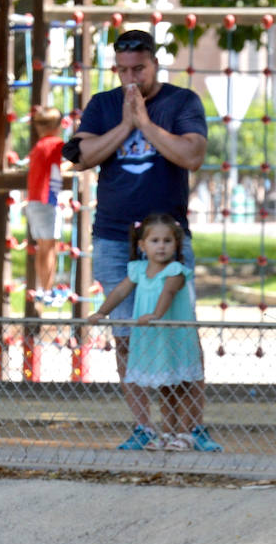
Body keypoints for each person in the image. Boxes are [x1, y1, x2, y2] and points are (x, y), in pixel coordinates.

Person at [68, 29, 221, 452]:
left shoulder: (182, 101)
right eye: (122, 70)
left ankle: (188, 427)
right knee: (127, 334)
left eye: (139, 68)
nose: (131, 78)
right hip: (116, 237)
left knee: (176, 331)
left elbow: (191, 155)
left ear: (156, 63)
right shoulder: (102, 105)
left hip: (168, 238)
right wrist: (126, 124)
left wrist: (146, 124)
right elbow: (81, 157)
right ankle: (144, 426)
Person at [86, 214, 204, 450]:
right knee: (165, 388)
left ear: (176, 245)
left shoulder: (176, 270)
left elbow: (168, 293)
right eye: (155, 241)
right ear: (142, 245)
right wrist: (102, 311)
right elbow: (120, 292)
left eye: (167, 241)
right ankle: (168, 433)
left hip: (174, 337)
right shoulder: (138, 270)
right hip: (154, 339)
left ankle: (186, 432)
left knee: (183, 386)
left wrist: (156, 315)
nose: (161, 246)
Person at [25, 106, 67, 306]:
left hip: (33, 201)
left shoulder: (39, 146)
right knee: (50, 248)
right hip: (47, 201)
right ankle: (48, 291)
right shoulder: (56, 144)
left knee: (42, 248)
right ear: (58, 126)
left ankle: (43, 288)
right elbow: (69, 161)